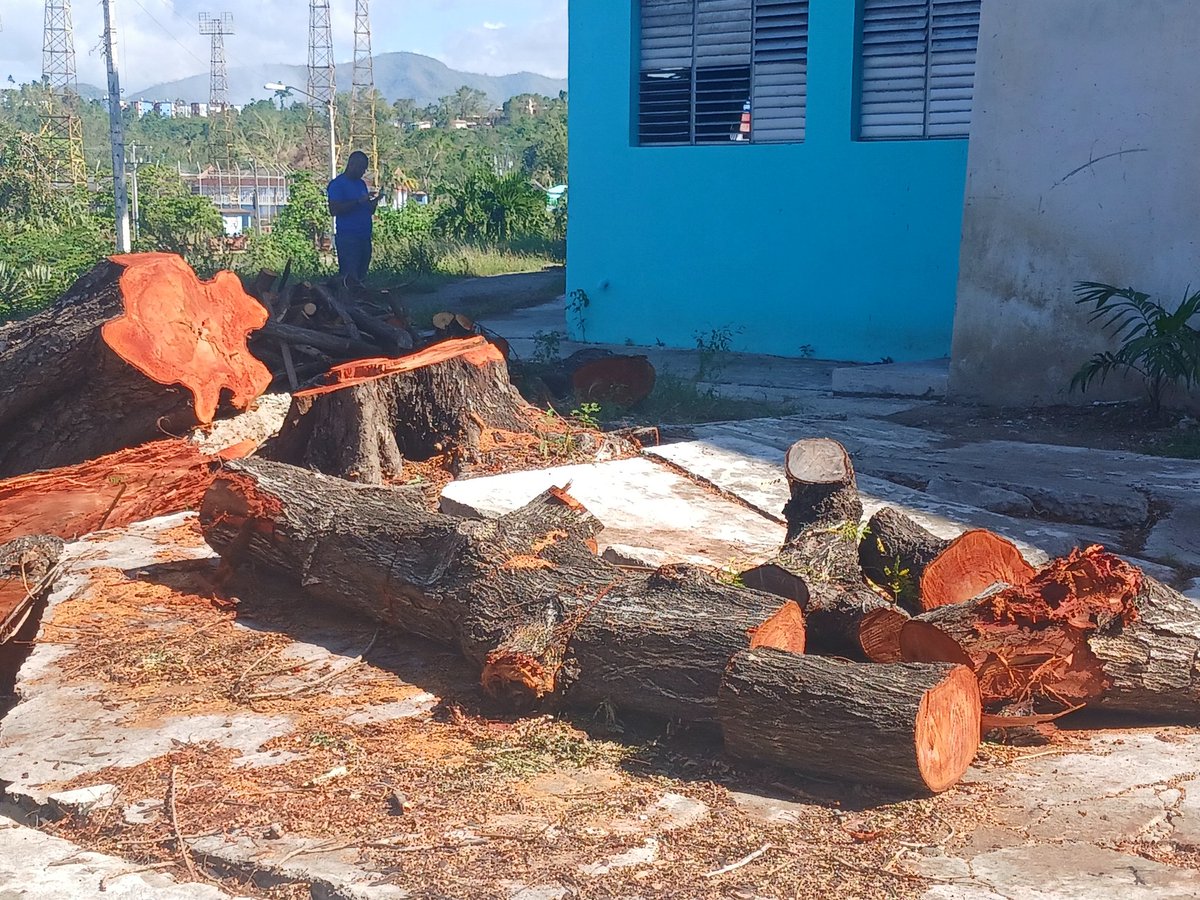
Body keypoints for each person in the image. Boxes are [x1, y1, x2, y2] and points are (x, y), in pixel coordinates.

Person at [327, 151, 382, 281]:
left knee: (361, 275)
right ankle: (346, 300)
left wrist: (375, 201)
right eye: (361, 168)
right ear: (352, 165)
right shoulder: (337, 184)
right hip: (348, 238)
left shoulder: (361, 184)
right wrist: (358, 202)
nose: (363, 172)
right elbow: (334, 210)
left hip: (364, 237)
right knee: (349, 277)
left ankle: (360, 299)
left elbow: (367, 209)